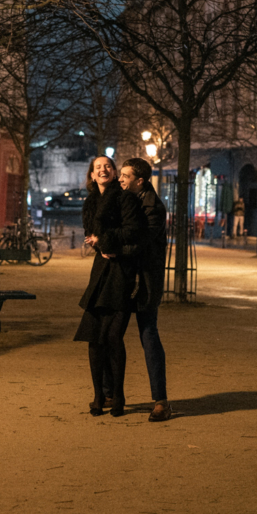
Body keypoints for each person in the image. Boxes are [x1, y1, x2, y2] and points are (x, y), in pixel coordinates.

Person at [75, 155, 142, 417]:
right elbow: (90, 232)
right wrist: (96, 242)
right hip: (101, 272)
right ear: (92, 175)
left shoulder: (125, 199)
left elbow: (132, 231)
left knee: (113, 336)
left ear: (114, 173)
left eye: (108, 166)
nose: (103, 170)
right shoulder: (90, 203)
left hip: (120, 271)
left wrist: (106, 241)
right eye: (98, 167)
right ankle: (98, 395)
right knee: (94, 336)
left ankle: (118, 395)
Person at [119, 157, 171, 422]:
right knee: (109, 333)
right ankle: (110, 393)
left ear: (140, 181)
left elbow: (139, 242)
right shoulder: (123, 199)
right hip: (121, 276)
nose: (120, 179)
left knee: (148, 333)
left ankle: (160, 399)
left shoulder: (153, 207)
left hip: (145, 279)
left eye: (125, 176)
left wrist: (109, 247)